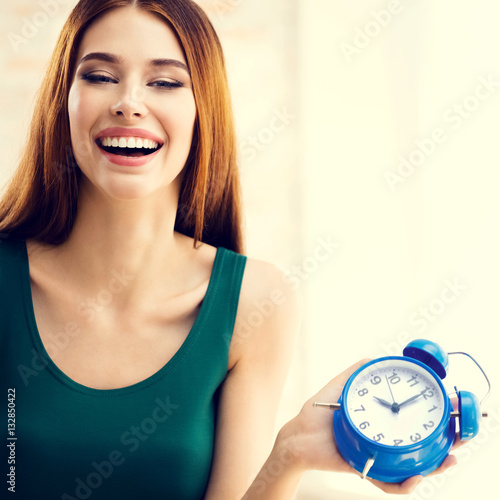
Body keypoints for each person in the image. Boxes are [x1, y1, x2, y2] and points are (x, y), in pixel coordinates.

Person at [0, 1, 460, 498]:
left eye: (166, 82)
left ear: (204, 110)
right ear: (62, 101)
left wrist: (291, 454)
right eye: (99, 75)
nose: (128, 102)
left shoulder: (254, 303)